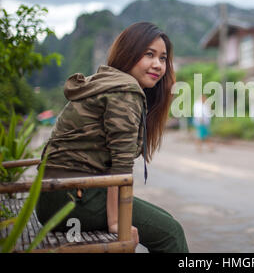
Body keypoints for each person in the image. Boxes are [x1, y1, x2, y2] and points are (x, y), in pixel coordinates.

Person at [35, 22, 189, 253]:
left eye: (163, 58)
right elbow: (120, 168)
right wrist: (117, 222)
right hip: (72, 199)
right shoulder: (125, 91)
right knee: (170, 233)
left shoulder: (109, 81)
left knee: (166, 221)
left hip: (56, 196)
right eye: (149, 54)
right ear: (128, 54)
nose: (157, 65)